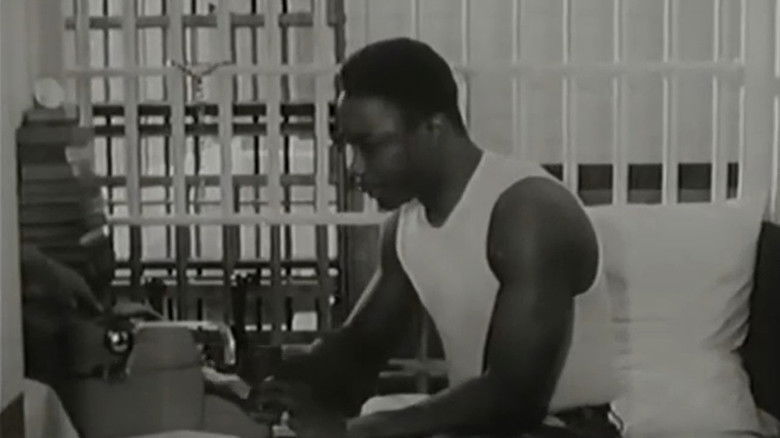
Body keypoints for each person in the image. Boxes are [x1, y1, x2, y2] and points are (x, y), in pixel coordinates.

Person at [252, 38, 619, 438]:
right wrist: (281, 381)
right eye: (348, 147)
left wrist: (355, 432)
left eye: (369, 146)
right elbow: (362, 348)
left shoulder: (529, 210)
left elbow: (513, 398)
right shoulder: (405, 227)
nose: (354, 168)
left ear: (434, 128)